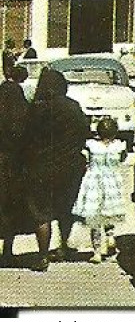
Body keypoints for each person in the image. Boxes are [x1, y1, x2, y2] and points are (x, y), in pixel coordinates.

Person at [25, 66, 90, 266]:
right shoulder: (73, 107)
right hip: (71, 167)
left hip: (42, 168)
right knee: (65, 208)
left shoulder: (38, 109)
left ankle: (43, 255)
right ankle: (63, 246)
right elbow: (84, 132)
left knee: (41, 212)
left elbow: (28, 138)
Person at [0, 66, 44, 265]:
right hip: (19, 171)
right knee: (17, 211)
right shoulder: (26, 116)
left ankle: (6, 252)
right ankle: (18, 251)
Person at [73, 118, 133, 263]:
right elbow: (122, 159)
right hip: (112, 182)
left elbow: (85, 158)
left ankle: (97, 252)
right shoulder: (119, 146)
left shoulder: (91, 146)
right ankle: (111, 237)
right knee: (108, 212)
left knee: (95, 217)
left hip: (93, 182)